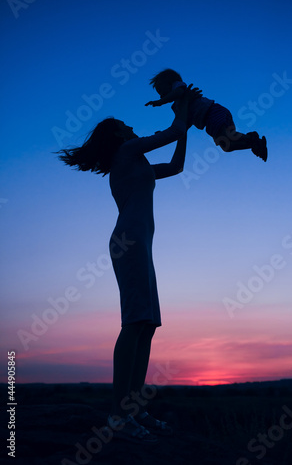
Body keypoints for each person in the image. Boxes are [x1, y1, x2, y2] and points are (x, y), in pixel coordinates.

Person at [57, 84, 200, 443]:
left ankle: (133, 410)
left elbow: (177, 165)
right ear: (118, 134)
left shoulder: (138, 162)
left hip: (140, 246)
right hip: (129, 243)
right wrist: (183, 108)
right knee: (135, 323)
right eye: (125, 123)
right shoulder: (127, 150)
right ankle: (118, 416)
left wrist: (186, 128)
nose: (131, 126)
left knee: (147, 325)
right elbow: (173, 131)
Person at [145, 68, 268, 162]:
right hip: (210, 121)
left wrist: (161, 102)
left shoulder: (179, 88)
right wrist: (165, 134)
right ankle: (254, 142)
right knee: (226, 146)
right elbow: (180, 124)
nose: (161, 95)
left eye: (161, 91)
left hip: (212, 112)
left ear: (171, 83)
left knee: (227, 136)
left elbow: (178, 92)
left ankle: (250, 138)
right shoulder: (176, 107)